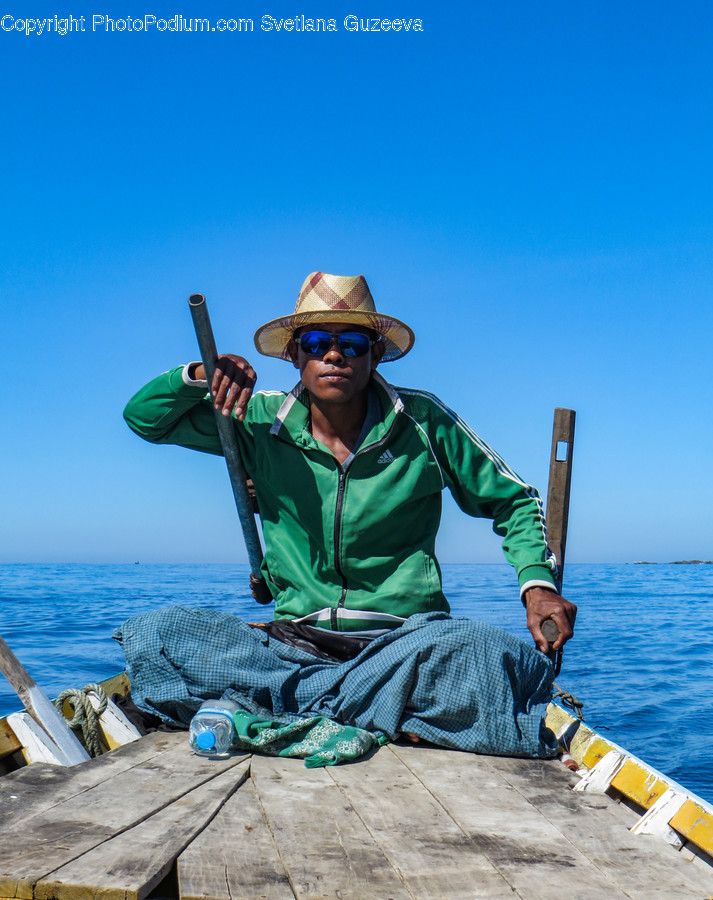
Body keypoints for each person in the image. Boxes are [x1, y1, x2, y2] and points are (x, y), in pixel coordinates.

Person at [120, 271, 576, 759]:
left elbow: (514, 499)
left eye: (353, 344)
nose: (333, 355)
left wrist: (537, 584)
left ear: (376, 354)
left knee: (485, 653)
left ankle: (292, 712)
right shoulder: (258, 421)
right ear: (295, 356)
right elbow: (144, 418)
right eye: (316, 342)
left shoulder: (423, 422)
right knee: (159, 631)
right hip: (294, 646)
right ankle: (376, 711)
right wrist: (200, 376)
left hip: (405, 645)